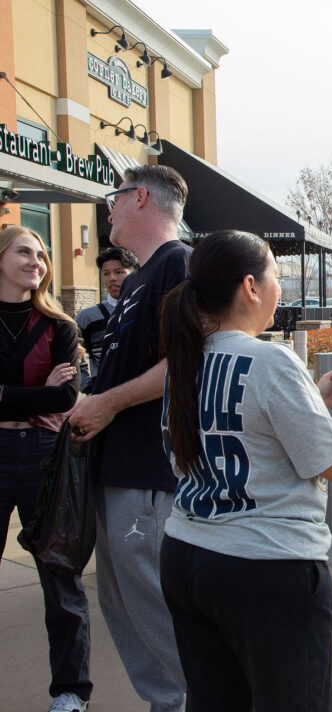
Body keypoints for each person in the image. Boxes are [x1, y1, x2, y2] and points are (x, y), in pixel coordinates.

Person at [157, 230, 332, 711]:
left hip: (187, 553)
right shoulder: (270, 359)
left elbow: (226, 437)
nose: (280, 286)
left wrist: (313, 400)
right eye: (275, 273)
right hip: (267, 567)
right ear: (251, 287)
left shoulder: (186, 360)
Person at [68, 165, 191, 711]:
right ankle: (168, 701)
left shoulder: (180, 264)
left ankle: (192, 699)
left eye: (113, 198)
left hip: (148, 474)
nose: (108, 209)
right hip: (114, 468)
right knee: (123, 605)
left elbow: (186, 364)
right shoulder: (141, 278)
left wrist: (106, 403)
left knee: (152, 605)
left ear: (139, 197)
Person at [0, 226, 91, 712]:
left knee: (61, 577)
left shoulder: (61, 327)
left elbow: (66, 397)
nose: (36, 261)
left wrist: (8, 394)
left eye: (41, 255)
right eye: (23, 251)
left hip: (43, 453)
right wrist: (41, 393)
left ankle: (71, 692)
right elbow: (50, 393)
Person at [75, 246, 138, 394]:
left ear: (135, 273)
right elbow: (75, 354)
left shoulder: (145, 310)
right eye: (106, 273)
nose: (112, 278)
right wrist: (87, 386)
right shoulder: (88, 316)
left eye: (119, 272)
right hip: (102, 393)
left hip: (140, 394)